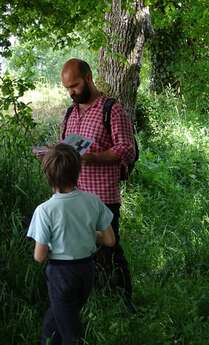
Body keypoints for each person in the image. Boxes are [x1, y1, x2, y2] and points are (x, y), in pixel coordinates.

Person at [60, 59, 136, 310]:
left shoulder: (111, 109)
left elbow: (127, 149)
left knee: (110, 251)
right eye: (67, 88)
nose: (71, 92)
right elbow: (65, 146)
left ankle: (126, 304)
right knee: (81, 253)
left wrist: (93, 158)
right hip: (75, 196)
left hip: (103, 197)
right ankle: (94, 303)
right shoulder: (71, 112)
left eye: (75, 85)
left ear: (89, 77)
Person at [27, 143, 116, 345]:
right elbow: (110, 240)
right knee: (54, 323)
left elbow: (39, 256)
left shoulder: (45, 210)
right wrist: (87, 235)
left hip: (61, 275)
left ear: (48, 174)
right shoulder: (93, 201)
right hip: (87, 270)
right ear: (78, 170)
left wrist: (58, 242)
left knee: (71, 333)